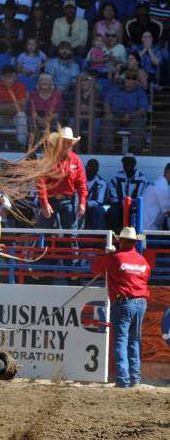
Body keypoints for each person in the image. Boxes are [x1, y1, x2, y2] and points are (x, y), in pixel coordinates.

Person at [90, 227, 151, 388]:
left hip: (123, 302)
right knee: (134, 340)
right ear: (135, 242)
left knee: (121, 340)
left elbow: (95, 268)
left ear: (121, 241)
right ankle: (135, 379)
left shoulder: (114, 258)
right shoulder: (142, 261)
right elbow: (146, 276)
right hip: (141, 302)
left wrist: (108, 254)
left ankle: (123, 379)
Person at [35, 127, 87, 229]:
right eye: (64, 142)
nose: (66, 145)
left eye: (68, 142)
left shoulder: (76, 160)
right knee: (45, 232)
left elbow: (81, 183)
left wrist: (82, 202)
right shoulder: (48, 159)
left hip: (69, 201)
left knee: (71, 234)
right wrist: (44, 203)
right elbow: (41, 182)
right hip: (50, 200)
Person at [101, 71, 149, 153]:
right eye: (128, 78)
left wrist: (130, 116)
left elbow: (143, 109)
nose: (129, 80)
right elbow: (107, 102)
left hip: (133, 116)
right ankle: (107, 148)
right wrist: (108, 112)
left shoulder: (140, 92)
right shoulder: (115, 89)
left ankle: (134, 148)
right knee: (107, 119)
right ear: (124, 79)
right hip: (116, 115)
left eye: (132, 78)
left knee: (139, 120)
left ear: (136, 81)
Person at [0, 65, 29, 149]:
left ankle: (21, 145)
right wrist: (14, 105)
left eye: (11, 75)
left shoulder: (20, 86)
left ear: (15, 76)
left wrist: (2, 106)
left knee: (22, 115)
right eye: (6, 76)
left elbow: (22, 107)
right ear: (2, 77)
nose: (9, 78)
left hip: (14, 118)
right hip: (0, 118)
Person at [105, 155, 151, 232]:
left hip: (136, 207)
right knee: (111, 211)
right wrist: (122, 204)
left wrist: (131, 204)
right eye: (125, 163)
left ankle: (134, 238)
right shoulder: (116, 177)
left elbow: (144, 196)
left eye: (130, 163)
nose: (127, 166)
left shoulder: (143, 179)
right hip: (119, 206)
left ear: (134, 164)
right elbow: (112, 196)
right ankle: (115, 238)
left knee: (137, 214)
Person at [142, 162, 170, 231]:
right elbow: (168, 213)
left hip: (147, 226)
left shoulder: (160, 183)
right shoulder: (162, 187)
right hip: (150, 229)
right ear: (168, 172)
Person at [83, 158, 108, 231]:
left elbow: (100, 201)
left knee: (99, 210)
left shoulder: (101, 182)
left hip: (92, 207)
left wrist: (85, 204)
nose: (91, 170)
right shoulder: (79, 179)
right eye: (90, 167)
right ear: (86, 168)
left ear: (97, 170)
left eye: (94, 168)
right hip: (79, 206)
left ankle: (100, 237)